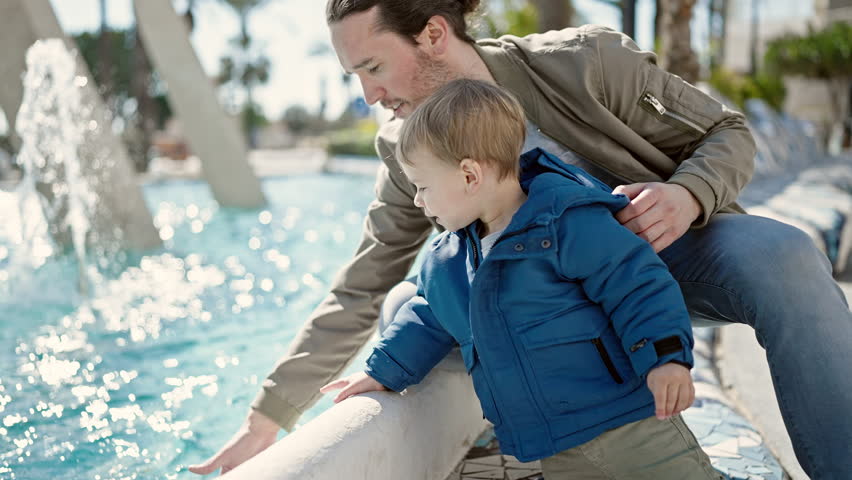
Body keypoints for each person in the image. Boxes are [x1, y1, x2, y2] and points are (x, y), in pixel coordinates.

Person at [189, 1, 852, 478]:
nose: (368, 96)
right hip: (546, 316)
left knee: (786, 255)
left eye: (372, 66)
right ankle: (493, 448)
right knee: (407, 309)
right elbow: (365, 279)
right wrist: (269, 415)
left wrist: (687, 195)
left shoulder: (587, 62)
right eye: (353, 77)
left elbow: (729, 132)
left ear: (433, 34)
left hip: (657, 265)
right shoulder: (404, 147)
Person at [320, 78, 722, 479]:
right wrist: (379, 372)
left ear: (469, 176)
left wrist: (666, 358)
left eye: (423, 186)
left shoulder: (567, 222)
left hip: (632, 424)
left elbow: (637, 286)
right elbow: (426, 318)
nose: (417, 200)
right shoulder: (448, 263)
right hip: (556, 444)